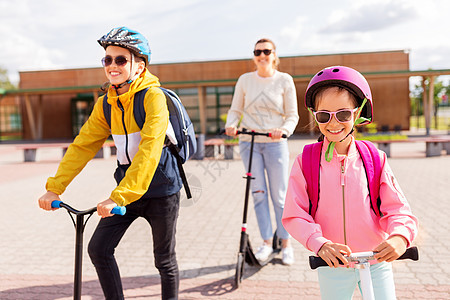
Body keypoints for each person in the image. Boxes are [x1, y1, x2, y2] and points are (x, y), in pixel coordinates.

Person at [38, 26, 182, 300]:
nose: (112, 66)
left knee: (164, 260)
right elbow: (82, 146)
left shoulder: (154, 97)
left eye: (120, 60)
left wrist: (119, 196)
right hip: (126, 191)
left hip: (161, 189)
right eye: (107, 59)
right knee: (99, 249)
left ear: (139, 66)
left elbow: (150, 149)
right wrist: (55, 187)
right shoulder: (106, 104)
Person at [282, 66, 418, 299]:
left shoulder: (375, 158)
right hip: (332, 263)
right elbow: (295, 214)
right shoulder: (306, 161)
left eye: (343, 114)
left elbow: (398, 209)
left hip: (376, 262)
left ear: (358, 113)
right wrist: (319, 244)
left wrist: (400, 236)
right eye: (324, 115)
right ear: (315, 116)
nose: (333, 123)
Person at [225, 38, 299, 265]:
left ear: (274, 55)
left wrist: (283, 131)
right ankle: (267, 242)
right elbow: (235, 109)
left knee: (279, 196)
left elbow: (292, 115)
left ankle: (285, 243)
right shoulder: (245, 80)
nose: (262, 55)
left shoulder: (284, 80)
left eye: (266, 51)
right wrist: (231, 124)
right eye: (258, 51)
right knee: (258, 194)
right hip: (250, 142)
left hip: (275, 142)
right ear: (254, 56)